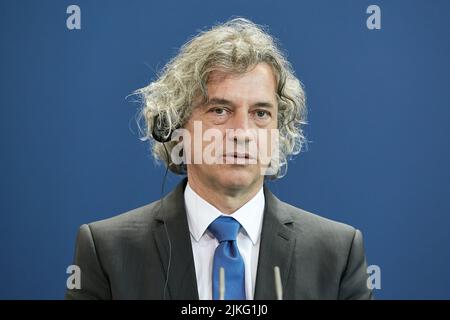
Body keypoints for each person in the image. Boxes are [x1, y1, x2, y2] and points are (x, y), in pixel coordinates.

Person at [65, 18, 373, 300]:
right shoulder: (107, 251)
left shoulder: (337, 254)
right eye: (220, 110)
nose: (242, 132)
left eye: (261, 113)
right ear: (176, 124)